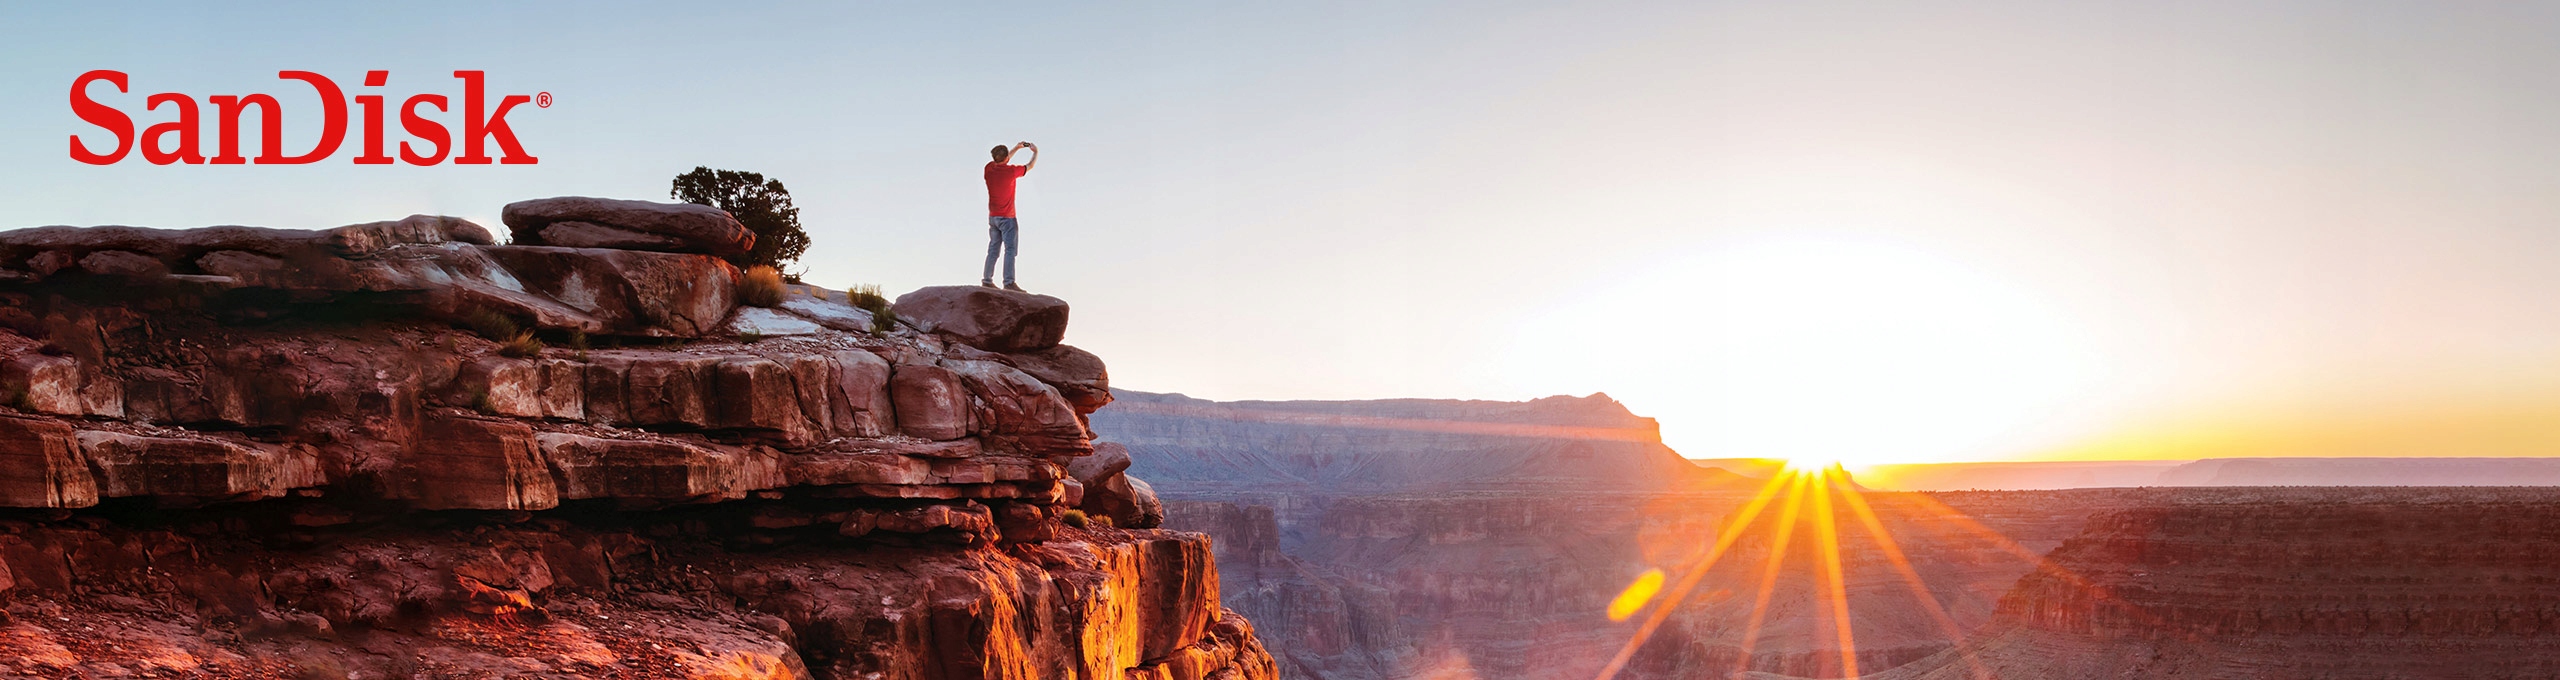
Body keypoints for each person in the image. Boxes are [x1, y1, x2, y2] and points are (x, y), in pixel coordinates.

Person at [983, 141, 1037, 291]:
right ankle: (1009, 282)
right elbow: (1030, 165)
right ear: (1007, 158)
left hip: (993, 217)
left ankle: (987, 280)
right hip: (1007, 218)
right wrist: (1035, 152)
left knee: (993, 248)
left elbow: (1002, 161)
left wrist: (1016, 148)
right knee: (1010, 249)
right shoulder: (1011, 171)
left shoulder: (989, 168)